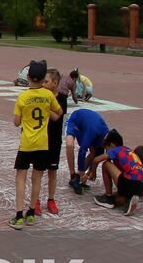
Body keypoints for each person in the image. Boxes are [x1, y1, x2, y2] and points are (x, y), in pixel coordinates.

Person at [9, 60, 61, 229]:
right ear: (42, 78)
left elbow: (16, 122)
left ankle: (18, 215)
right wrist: (47, 114)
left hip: (26, 144)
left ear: (29, 77)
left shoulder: (23, 97)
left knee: (20, 179)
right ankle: (31, 212)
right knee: (37, 178)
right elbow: (58, 113)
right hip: (42, 144)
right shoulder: (48, 95)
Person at [88, 129, 143, 215]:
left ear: (111, 145)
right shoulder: (128, 151)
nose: (106, 151)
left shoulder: (116, 150)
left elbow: (96, 160)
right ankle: (128, 199)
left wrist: (93, 172)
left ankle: (108, 197)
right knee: (118, 200)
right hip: (140, 186)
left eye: (106, 148)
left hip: (129, 182)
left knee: (106, 164)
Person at [64, 106, 109, 195]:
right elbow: (82, 151)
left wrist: (91, 171)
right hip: (75, 119)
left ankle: (79, 177)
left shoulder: (106, 135)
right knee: (69, 145)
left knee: (94, 151)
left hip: (88, 124)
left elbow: (99, 154)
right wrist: (82, 173)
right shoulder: (92, 131)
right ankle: (73, 176)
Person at [39, 67, 64, 215]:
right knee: (38, 172)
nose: (43, 84)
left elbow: (56, 116)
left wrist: (43, 105)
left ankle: (51, 199)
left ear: (54, 83)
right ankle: (35, 200)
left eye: (46, 81)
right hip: (41, 139)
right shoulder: (41, 95)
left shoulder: (61, 99)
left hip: (54, 141)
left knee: (52, 172)